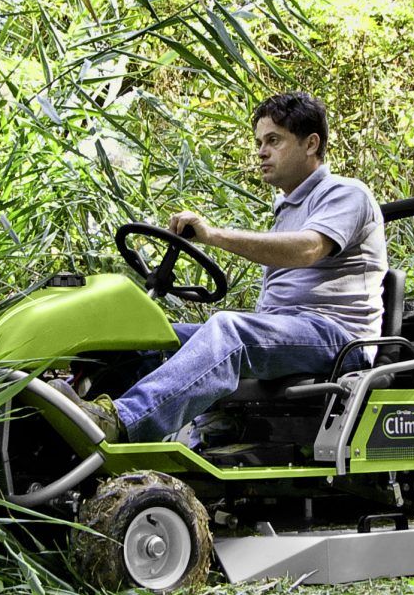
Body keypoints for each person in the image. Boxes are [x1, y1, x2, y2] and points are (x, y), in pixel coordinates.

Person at [79, 91, 386, 444]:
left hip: (338, 338)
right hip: (289, 330)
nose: (261, 152)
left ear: (311, 144)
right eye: (258, 142)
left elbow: (308, 248)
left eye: (274, 140)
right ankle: (82, 422)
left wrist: (213, 235)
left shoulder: (346, 194)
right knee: (146, 336)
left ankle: (120, 422)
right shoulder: (287, 207)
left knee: (230, 330)